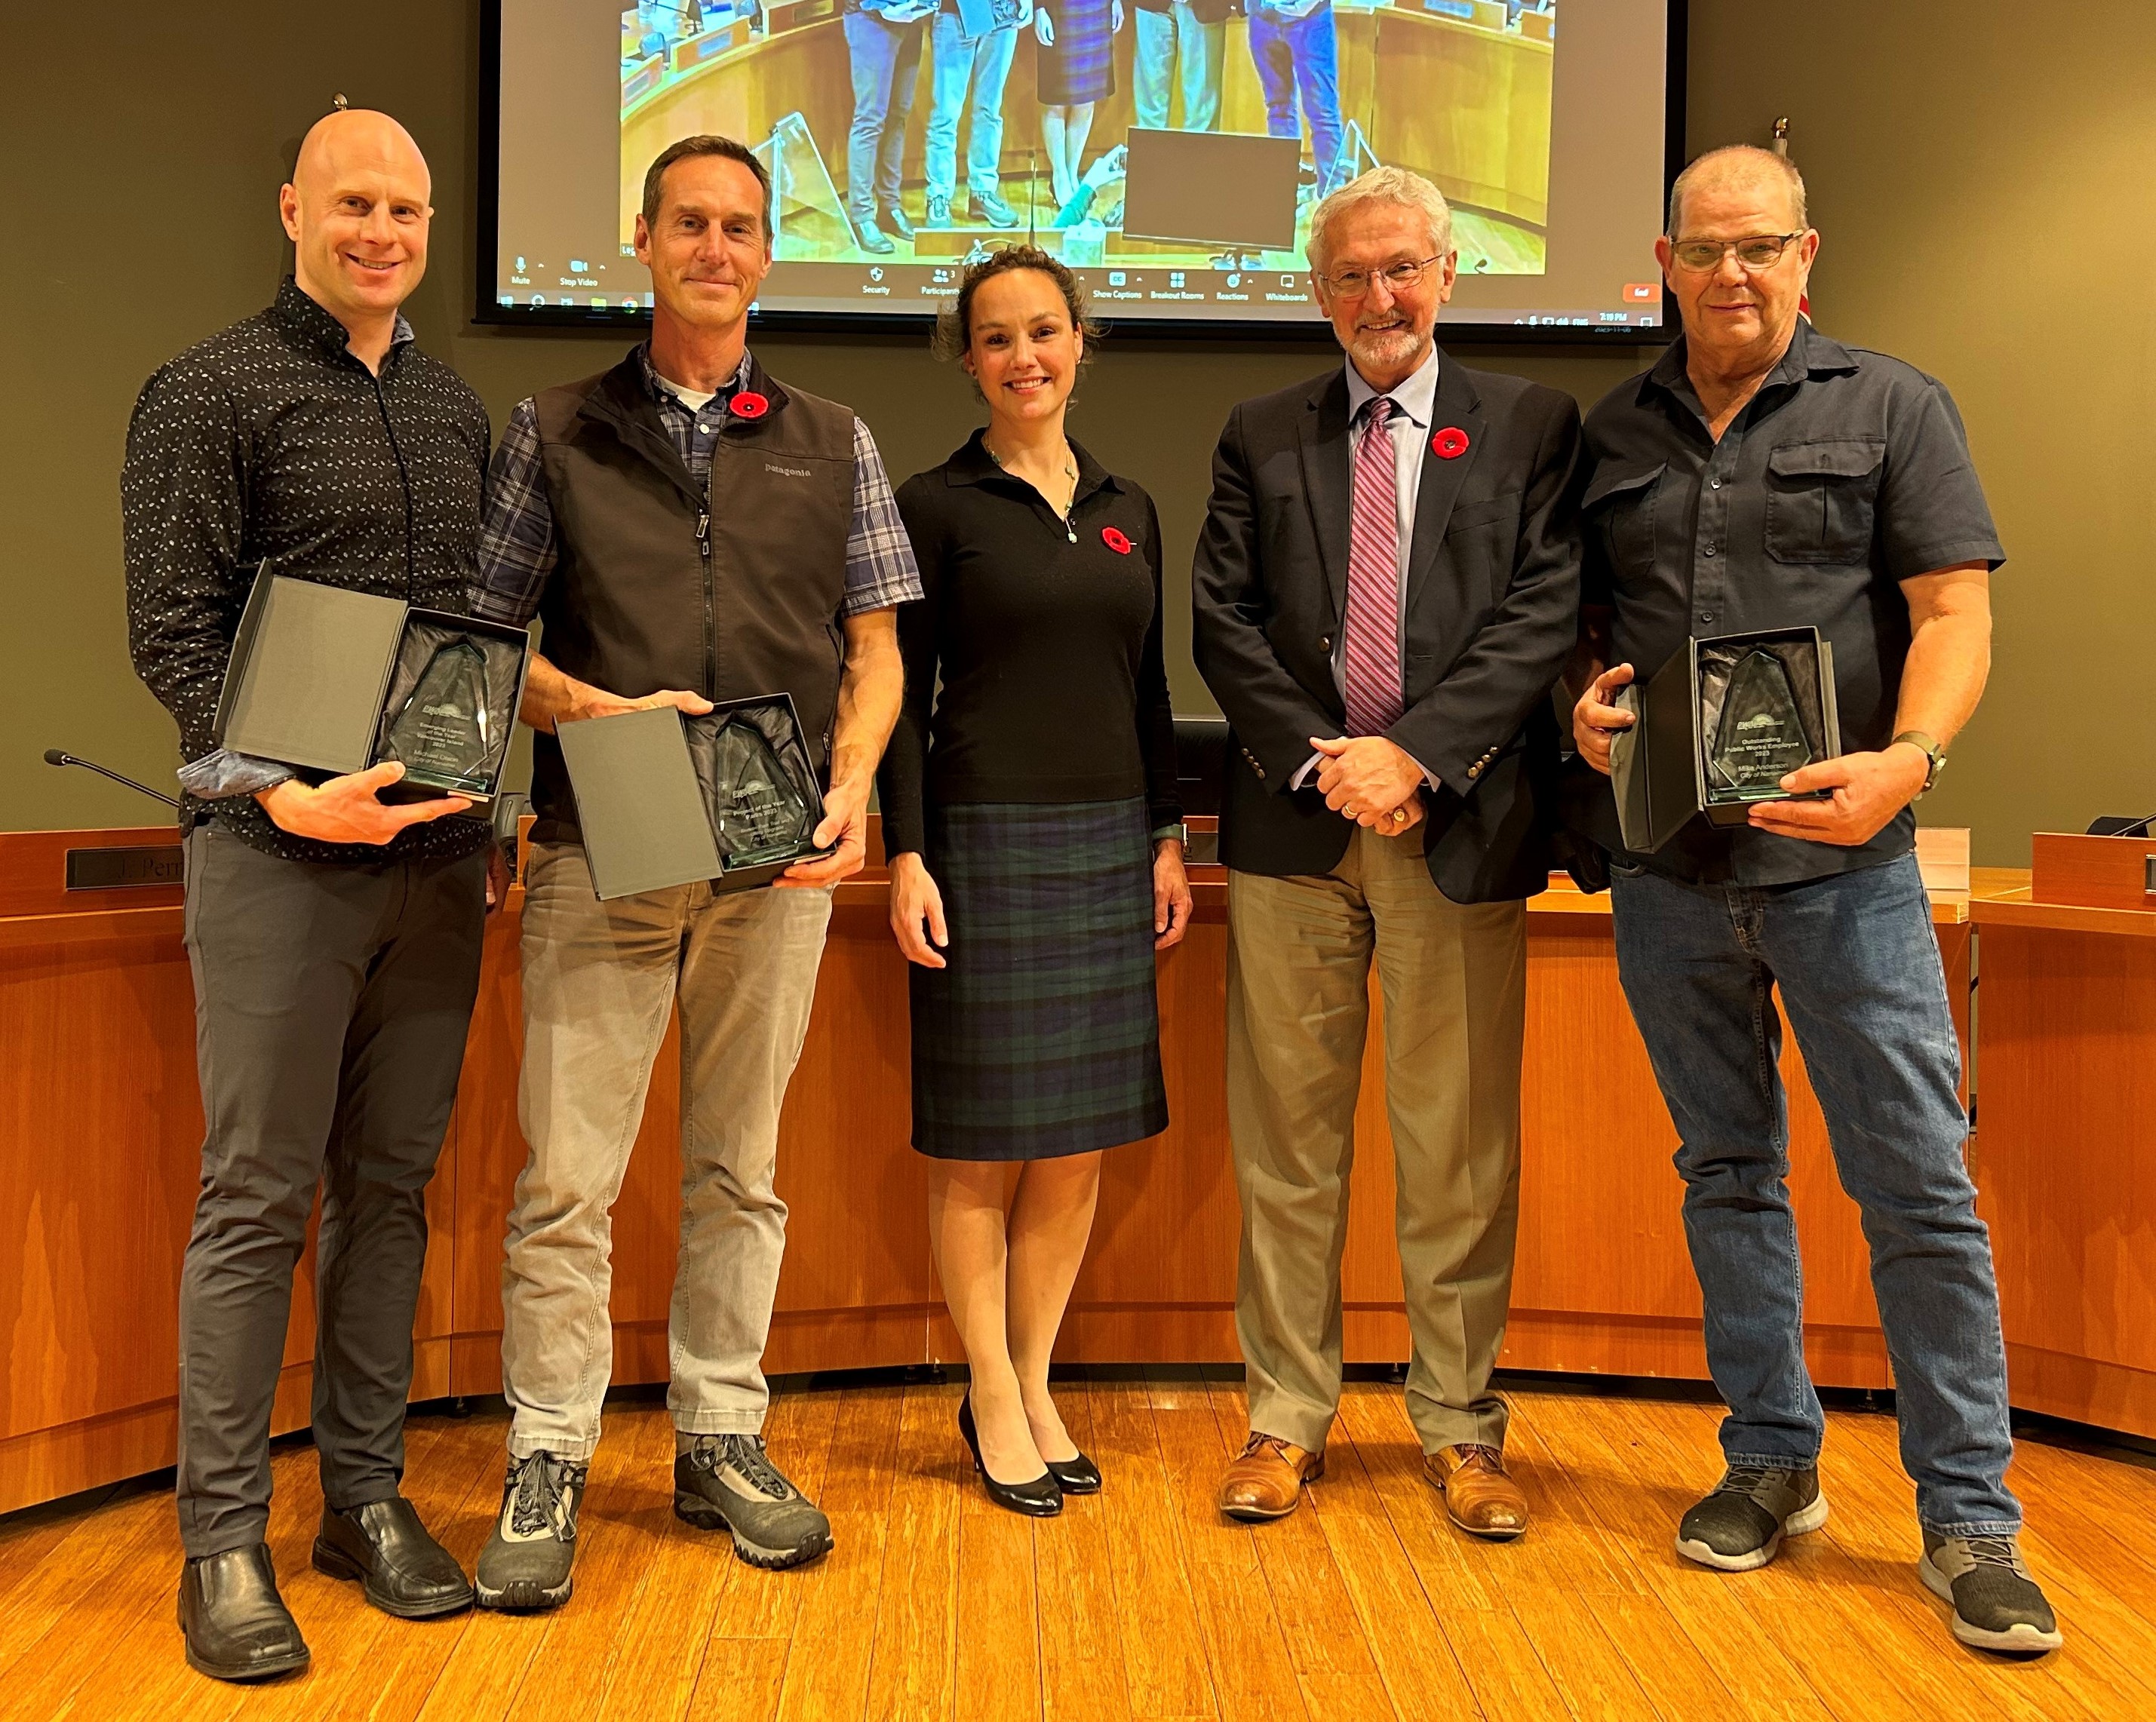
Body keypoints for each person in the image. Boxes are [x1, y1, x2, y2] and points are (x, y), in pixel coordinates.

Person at [1568, 144, 2061, 1656]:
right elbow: (1588, 626)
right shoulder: (1612, 431)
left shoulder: (1895, 407)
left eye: (1758, 247)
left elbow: (1954, 610)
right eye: (1704, 249)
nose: (1730, 273)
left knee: (1915, 1183)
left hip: (1844, 868)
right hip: (1668, 870)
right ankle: (1771, 1461)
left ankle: (1969, 1519)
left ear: (1806, 255)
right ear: (1661, 260)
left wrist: (1907, 759)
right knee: (1724, 1173)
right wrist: (1581, 716)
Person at [468, 134, 920, 1607]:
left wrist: (850, 789)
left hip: (772, 860)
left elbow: (874, 646)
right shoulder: (552, 426)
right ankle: (549, 1451)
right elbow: (489, 652)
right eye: (689, 224)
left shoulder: (832, 438)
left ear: (765, 249)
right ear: (642, 239)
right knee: (567, 1182)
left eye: (739, 225)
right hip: (609, 833)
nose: (714, 247)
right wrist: (603, 714)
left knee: (744, 1170)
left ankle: (722, 1431)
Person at [122, 107, 496, 1683]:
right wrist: (282, 788)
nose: (382, 230)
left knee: (392, 1194)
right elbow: (173, 630)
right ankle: (223, 1541)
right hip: (277, 857)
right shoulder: (209, 388)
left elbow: (468, 635)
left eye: (405, 208)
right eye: (354, 201)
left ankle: (362, 1496)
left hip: (434, 869)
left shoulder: (453, 406)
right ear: (292, 206)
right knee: (255, 1197)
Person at [1191, 166, 1581, 1534]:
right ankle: (1283, 1415)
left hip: (1455, 825)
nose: (1379, 296)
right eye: (1351, 275)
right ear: (1317, 292)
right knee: (1286, 1150)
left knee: (1455, 1149)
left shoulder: (1530, 425)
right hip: (1297, 832)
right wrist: (1330, 759)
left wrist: (1411, 752)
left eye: (1401, 267)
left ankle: (1462, 1426)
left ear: (1447, 274)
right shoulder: (1259, 430)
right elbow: (1221, 621)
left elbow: (1542, 612)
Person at [881, 246, 1191, 1514]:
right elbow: (895, 696)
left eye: (1045, 331)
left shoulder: (1130, 502)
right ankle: (989, 1392)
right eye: (997, 336)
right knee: (980, 1147)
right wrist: (905, 851)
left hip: (1108, 840)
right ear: (968, 357)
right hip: (980, 845)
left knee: (1074, 1146)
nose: (1024, 355)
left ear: (1079, 343)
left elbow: (1151, 685)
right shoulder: (933, 502)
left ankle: (1032, 1374)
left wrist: (1165, 834)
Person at [923, 0, 1027, 229]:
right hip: (955, 14)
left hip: (1003, 13)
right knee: (945, 115)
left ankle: (983, 191)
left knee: (989, 111)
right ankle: (938, 195)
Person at [843, 0, 935, 253]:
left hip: (911, 22)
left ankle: (889, 206)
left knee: (898, 116)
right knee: (870, 119)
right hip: (870, 18)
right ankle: (861, 215)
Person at [1245, 0, 1347, 202]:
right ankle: (1284, 190)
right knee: (1278, 108)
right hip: (1263, 16)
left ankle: (1333, 201)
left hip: (1310, 17)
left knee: (1322, 112)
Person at [1035, 0, 1125, 210]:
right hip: (1057, 7)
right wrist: (1038, 7)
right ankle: (1059, 175)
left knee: (1087, 95)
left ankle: (1072, 173)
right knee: (1055, 96)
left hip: (1096, 8)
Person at [1131, 0, 1229, 135]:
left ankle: (1201, 156)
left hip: (1205, 6)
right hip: (1150, 5)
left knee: (1202, 113)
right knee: (1150, 112)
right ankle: (1150, 154)